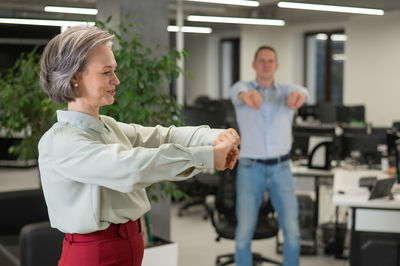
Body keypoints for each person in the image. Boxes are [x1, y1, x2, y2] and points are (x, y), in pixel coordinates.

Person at [38, 25, 240, 266]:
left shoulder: (107, 126)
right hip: (95, 254)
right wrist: (207, 156)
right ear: (74, 78)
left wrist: (214, 137)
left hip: (128, 244)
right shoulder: (61, 142)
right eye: (106, 72)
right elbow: (131, 167)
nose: (117, 79)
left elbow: (162, 136)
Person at [231, 45, 308, 266]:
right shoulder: (242, 87)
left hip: (281, 168)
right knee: (244, 230)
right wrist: (248, 96)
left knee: (292, 231)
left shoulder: (286, 91)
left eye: (270, 60)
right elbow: (237, 93)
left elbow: (303, 91)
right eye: (262, 60)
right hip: (250, 167)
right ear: (254, 65)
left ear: (277, 65)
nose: (266, 64)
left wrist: (298, 96)